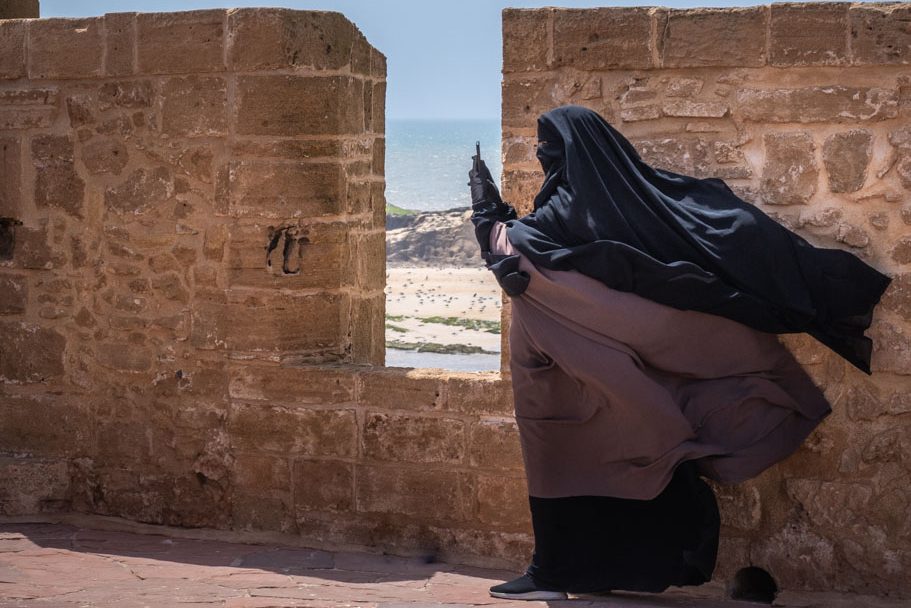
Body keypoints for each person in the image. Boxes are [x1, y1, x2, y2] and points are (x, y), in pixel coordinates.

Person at [467, 105, 893, 601]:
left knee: (564, 459)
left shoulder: (563, 212)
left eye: (550, 149)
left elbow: (515, 249)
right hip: (618, 378)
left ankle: (555, 572)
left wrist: (486, 210)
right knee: (625, 454)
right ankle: (581, 570)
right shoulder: (634, 201)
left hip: (575, 384)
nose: (543, 158)